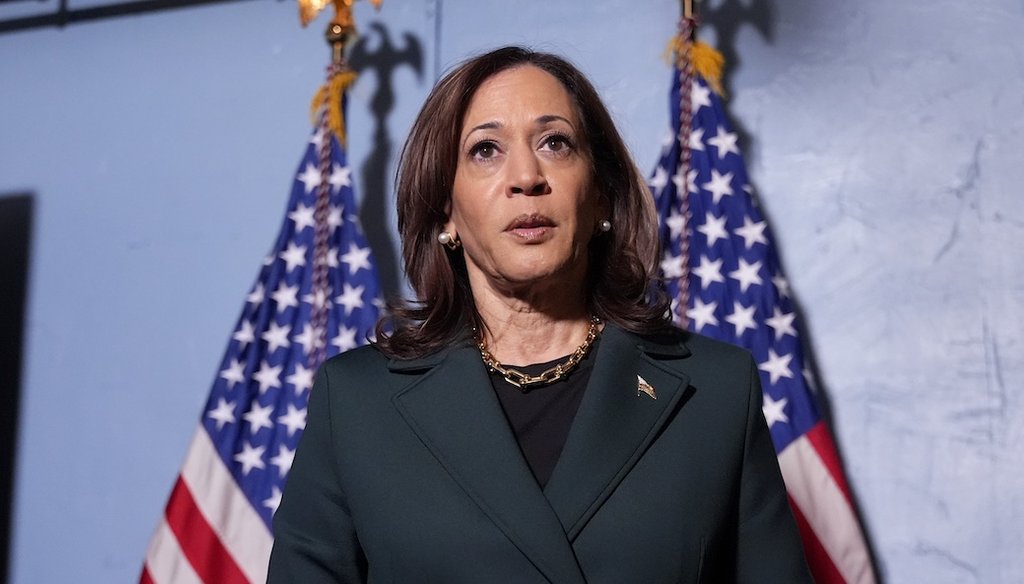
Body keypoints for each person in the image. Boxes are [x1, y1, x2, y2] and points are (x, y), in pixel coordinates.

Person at [267, 46, 813, 583]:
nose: (526, 175)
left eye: (555, 143)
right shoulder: (357, 403)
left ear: (601, 196)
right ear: (445, 211)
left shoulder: (716, 390)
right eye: (485, 150)